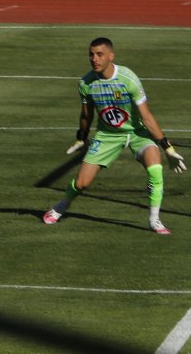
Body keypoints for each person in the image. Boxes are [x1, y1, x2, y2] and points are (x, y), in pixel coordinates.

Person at [43, 37, 186, 234]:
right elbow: (86, 114)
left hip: (137, 133)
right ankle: (61, 205)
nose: (94, 59)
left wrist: (167, 147)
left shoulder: (128, 79)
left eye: (99, 54)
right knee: (82, 183)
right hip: (108, 135)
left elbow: (146, 116)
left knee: (155, 169)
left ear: (111, 56)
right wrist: (81, 137)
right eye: (91, 54)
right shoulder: (86, 83)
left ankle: (155, 220)